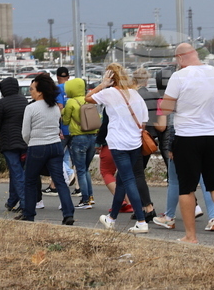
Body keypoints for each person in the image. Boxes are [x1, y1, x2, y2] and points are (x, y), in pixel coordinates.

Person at [158, 44, 214, 247]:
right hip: (213, 136)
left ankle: (190, 236)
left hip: (187, 137)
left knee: (186, 187)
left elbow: (167, 108)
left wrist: (184, 104)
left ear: (180, 58)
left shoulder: (179, 77)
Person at [85, 64, 150, 233]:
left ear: (110, 77)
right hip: (135, 143)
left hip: (118, 143)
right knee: (121, 180)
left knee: (128, 180)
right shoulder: (135, 94)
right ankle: (111, 218)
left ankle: (142, 220)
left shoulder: (109, 93)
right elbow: (143, 122)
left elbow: (88, 98)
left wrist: (102, 84)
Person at [18, 73, 74, 224]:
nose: (30, 91)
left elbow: (25, 133)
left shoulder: (31, 108)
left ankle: (29, 213)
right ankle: (68, 213)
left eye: (32, 89)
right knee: (60, 181)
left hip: (37, 146)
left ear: (40, 91)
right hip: (55, 146)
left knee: (30, 181)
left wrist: (31, 142)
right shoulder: (55, 107)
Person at [61, 78, 99, 210]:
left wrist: (63, 112)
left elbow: (65, 121)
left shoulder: (71, 101)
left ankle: (85, 199)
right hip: (92, 137)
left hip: (78, 138)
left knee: (80, 170)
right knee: (85, 169)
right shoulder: (89, 99)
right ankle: (91, 197)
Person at [0, 76, 28, 213]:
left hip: (8, 141)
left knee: (16, 173)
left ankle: (25, 203)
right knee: (18, 172)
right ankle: (11, 201)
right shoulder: (24, 101)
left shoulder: (1, 103)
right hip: (24, 140)